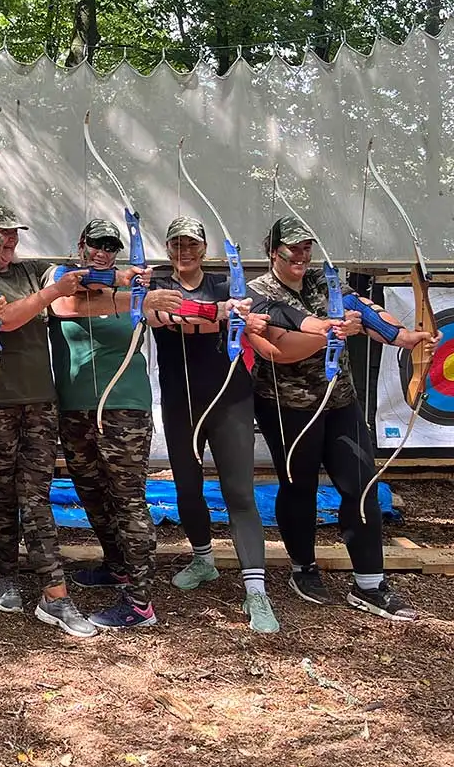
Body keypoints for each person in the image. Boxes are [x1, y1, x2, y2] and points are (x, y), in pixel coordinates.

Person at [246, 215, 438, 621]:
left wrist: (405, 337)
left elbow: (365, 311)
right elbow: (279, 348)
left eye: (306, 247)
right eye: (292, 248)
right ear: (273, 251)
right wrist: (329, 333)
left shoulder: (325, 282)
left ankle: (369, 584)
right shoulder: (258, 292)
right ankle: (303, 568)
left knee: (362, 484)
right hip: (288, 406)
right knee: (298, 487)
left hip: (340, 401)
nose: (301, 255)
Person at [0, 203, 97, 637]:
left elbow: (67, 278)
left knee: (34, 495)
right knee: (2, 490)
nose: (11, 240)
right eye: (2, 234)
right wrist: (51, 294)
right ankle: (7, 575)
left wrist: (121, 277)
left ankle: (54, 594)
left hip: (40, 400)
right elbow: (7, 320)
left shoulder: (30, 270)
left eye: (14, 233)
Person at [47, 219, 184, 629]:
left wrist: (165, 301)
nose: (103, 252)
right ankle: (118, 566)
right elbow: (67, 305)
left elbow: (167, 314)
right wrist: (130, 291)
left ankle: (140, 603)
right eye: (96, 244)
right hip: (75, 409)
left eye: (111, 246)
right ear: (81, 243)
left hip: (124, 408)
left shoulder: (137, 290)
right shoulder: (61, 277)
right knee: (91, 493)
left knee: (128, 500)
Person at [148, 216, 280, 633]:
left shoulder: (228, 286)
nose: (184, 252)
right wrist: (219, 314)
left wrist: (235, 313)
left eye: (192, 244)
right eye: (177, 244)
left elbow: (252, 317)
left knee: (239, 492)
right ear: (168, 248)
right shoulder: (158, 286)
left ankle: (256, 590)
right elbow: (164, 316)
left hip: (231, 401)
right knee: (187, 487)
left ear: (204, 249)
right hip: (181, 405)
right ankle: (203, 559)